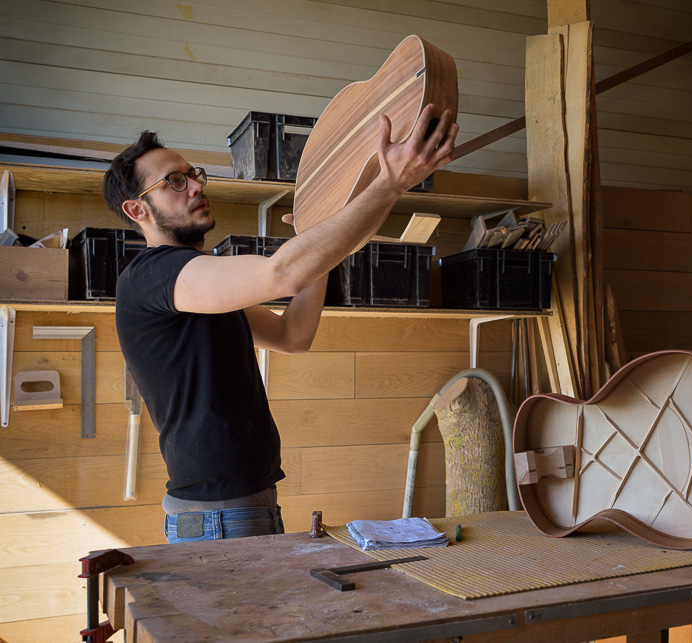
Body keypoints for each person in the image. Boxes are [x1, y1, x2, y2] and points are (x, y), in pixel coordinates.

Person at [102, 105, 457, 543]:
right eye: (174, 181)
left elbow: (293, 336)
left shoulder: (198, 281)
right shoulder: (156, 274)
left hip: (245, 504)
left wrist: (321, 247)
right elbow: (281, 273)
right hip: (218, 515)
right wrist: (390, 182)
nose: (195, 185)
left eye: (193, 174)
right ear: (138, 210)